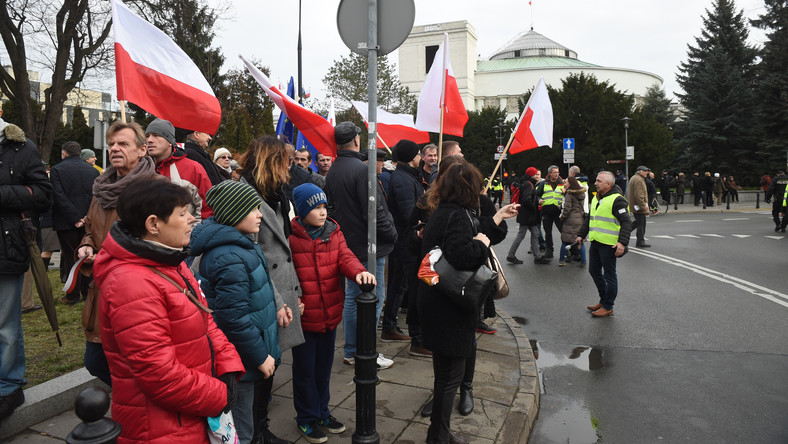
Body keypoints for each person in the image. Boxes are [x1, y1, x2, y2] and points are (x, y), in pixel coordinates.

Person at [94, 179, 244, 443]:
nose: (192, 220)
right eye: (183, 213)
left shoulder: (169, 260)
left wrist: (228, 368)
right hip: (160, 426)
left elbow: (204, 318)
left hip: (189, 410)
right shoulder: (131, 284)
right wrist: (219, 395)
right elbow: (158, 374)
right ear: (153, 225)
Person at [190, 180, 292, 444]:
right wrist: (260, 357)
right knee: (241, 431)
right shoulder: (229, 256)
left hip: (244, 358)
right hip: (241, 362)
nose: (260, 214)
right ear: (234, 214)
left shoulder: (241, 245)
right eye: (252, 209)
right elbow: (233, 318)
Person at [288, 183, 374, 443]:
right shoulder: (292, 238)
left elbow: (344, 257)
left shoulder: (333, 232)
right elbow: (287, 274)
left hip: (329, 315)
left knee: (323, 369)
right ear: (302, 211)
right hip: (305, 318)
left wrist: (359, 271)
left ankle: (322, 412)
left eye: (324, 206)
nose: (322, 212)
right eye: (316, 207)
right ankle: (306, 417)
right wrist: (295, 299)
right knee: (304, 371)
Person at [417, 160, 495, 444]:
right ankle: (437, 436)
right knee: (451, 376)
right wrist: (482, 243)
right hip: (450, 306)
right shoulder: (459, 216)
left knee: (444, 375)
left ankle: (440, 432)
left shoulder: (442, 212)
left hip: (436, 300)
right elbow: (463, 255)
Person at [78, 121, 159, 386]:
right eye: (112, 143)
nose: (114, 148)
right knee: (96, 361)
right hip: (102, 288)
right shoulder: (101, 187)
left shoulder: (157, 188)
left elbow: (166, 242)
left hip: (139, 291)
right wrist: (87, 244)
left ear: (142, 150)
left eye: (123, 143)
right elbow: (91, 226)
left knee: (137, 361)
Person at [0, 111, 52, 423]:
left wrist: (3, 194)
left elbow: (43, 194)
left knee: (5, 324)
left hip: (6, 247)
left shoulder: (21, 147)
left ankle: (9, 386)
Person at [239, 136, 306, 368]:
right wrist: (279, 302)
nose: (288, 168)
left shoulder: (276, 195)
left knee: (271, 361)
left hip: (278, 288)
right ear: (271, 162)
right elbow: (252, 258)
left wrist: (295, 290)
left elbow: (284, 250)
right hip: (262, 295)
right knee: (260, 364)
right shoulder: (244, 197)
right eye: (285, 161)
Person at [382, 140, 423, 346]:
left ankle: (389, 325)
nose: (421, 156)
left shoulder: (406, 176)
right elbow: (409, 213)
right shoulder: (404, 179)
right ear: (410, 156)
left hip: (402, 239)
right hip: (406, 240)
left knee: (398, 285)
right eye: (418, 153)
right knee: (409, 286)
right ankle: (416, 336)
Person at [577, 171, 632, 317]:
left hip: (609, 244)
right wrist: (581, 235)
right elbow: (590, 218)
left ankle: (608, 306)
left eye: (599, 181)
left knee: (609, 276)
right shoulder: (597, 197)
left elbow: (626, 222)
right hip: (596, 241)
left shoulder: (617, 200)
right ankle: (603, 299)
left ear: (608, 184)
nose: (595, 183)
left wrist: (622, 243)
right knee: (593, 271)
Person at [50, 141, 99, 304]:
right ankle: (87, 291)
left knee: (71, 256)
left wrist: (74, 217)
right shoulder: (92, 171)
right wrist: (85, 217)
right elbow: (95, 196)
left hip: (66, 221)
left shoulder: (57, 170)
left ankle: (72, 294)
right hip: (87, 221)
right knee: (87, 255)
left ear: (64, 153)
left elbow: (58, 195)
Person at [146, 118, 213, 221]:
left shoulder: (193, 169)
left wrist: (192, 234)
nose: (149, 140)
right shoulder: (141, 169)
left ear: (170, 141)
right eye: (147, 136)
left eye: (156, 135)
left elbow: (207, 208)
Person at [507, 167, 550, 265]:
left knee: (535, 233)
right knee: (522, 235)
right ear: (532, 175)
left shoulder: (527, 183)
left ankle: (537, 257)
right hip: (528, 215)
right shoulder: (528, 184)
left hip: (528, 215)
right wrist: (534, 209)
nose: (537, 176)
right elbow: (527, 200)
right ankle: (511, 255)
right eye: (535, 174)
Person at [535, 165, 564, 258]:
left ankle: (567, 250)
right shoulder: (543, 183)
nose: (557, 174)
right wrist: (538, 200)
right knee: (548, 232)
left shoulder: (562, 183)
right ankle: (549, 250)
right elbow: (537, 195)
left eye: (558, 172)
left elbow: (567, 196)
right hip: (547, 211)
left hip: (558, 211)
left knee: (563, 231)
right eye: (555, 172)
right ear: (550, 173)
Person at [559, 176, 587, 267]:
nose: (564, 184)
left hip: (570, 220)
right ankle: (583, 262)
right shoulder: (581, 193)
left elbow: (567, 209)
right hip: (580, 219)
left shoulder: (569, 194)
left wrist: (562, 218)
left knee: (565, 241)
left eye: (566, 182)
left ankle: (562, 260)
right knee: (579, 241)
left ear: (570, 184)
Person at [628, 166, 650, 248]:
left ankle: (625, 231)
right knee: (641, 224)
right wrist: (643, 206)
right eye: (645, 171)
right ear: (640, 172)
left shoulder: (635, 178)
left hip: (636, 205)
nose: (647, 172)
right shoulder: (638, 180)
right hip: (638, 206)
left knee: (638, 222)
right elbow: (639, 195)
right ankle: (640, 241)